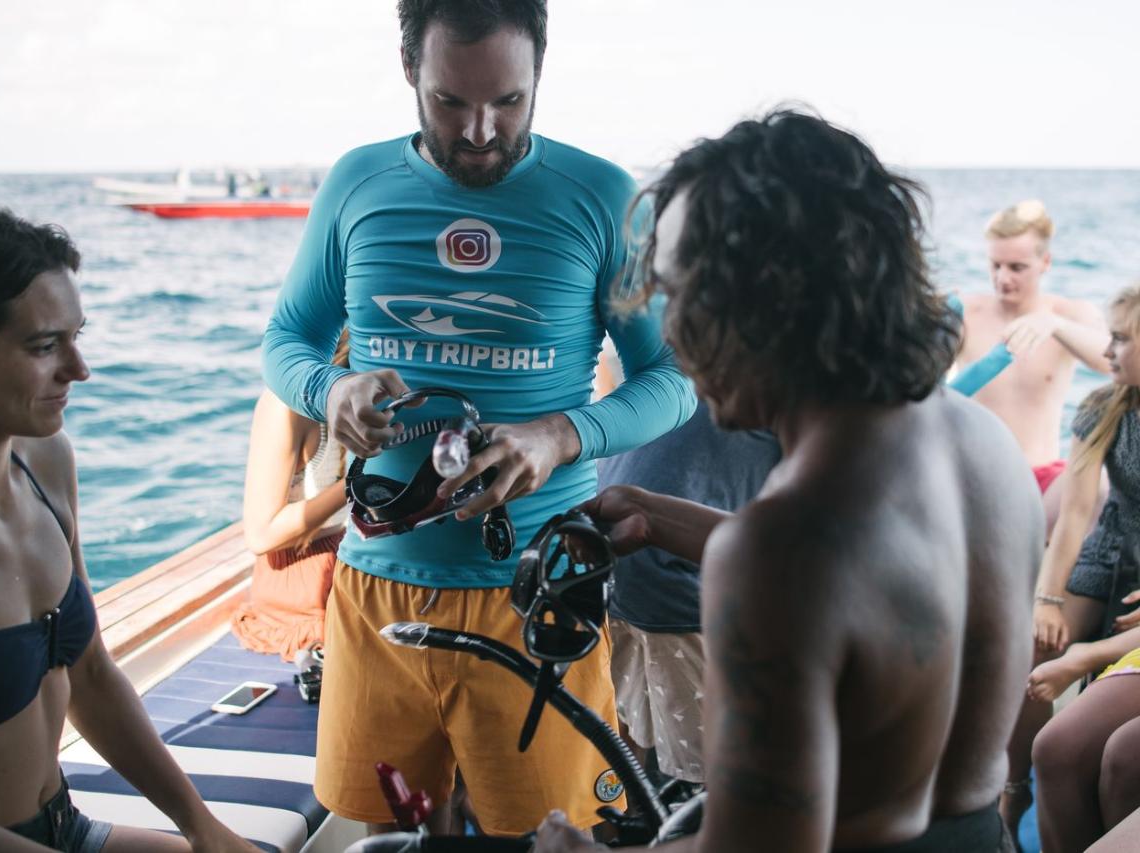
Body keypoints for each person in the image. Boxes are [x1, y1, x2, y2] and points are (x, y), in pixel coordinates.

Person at [535, 109, 1042, 852]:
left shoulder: (782, 549)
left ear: (769, 293)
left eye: (684, 295)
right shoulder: (982, 444)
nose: (670, 333)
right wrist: (653, 511)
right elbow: (876, 590)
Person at [260, 0, 695, 837]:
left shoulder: (603, 197)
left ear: (541, 70)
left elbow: (674, 375)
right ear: (406, 68)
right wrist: (329, 390)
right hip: (376, 584)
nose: (482, 131)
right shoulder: (358, 182)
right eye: (450, 103)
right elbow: (287, 339)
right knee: (383, 827)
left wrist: (566, 433)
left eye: (510, 101)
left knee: (547, 835)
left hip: (535, 593)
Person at [0, 200, 257, 852]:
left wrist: (201, 825)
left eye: (77, 336)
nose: (79, 370)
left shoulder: (45, 460)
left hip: (64, 826)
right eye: (45, 346)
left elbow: (92, 674)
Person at [1009, 284, 1140, 852]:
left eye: (1121, 339)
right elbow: (1077, 515)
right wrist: (1047, 598)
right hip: (1111, 552)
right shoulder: (1103, 407)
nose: (1107, 350)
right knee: (1029, 645)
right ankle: (1012, 791)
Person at [598, 400, 780, 786]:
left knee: (619, 736)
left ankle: (620, 829)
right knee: (720, 775)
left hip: (605, 552)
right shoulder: (793, 393)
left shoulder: (695, 368)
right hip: (675, 575)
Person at [955, 200, 1109, 534]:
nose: (1002, 278)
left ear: (1045, 262)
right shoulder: (966, 312)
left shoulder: (1068, 315)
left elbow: (1112, 361)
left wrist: (1054, 325)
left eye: (1016, 267)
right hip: (977, 479)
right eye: (995, 265)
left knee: (1102, 483)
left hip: (1043, 481)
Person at [231, 332, 350, 660]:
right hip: (297, 583)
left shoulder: (368, 397)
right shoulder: (286, 405)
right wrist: (355, 484)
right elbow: (261, 534)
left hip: (345, 559)